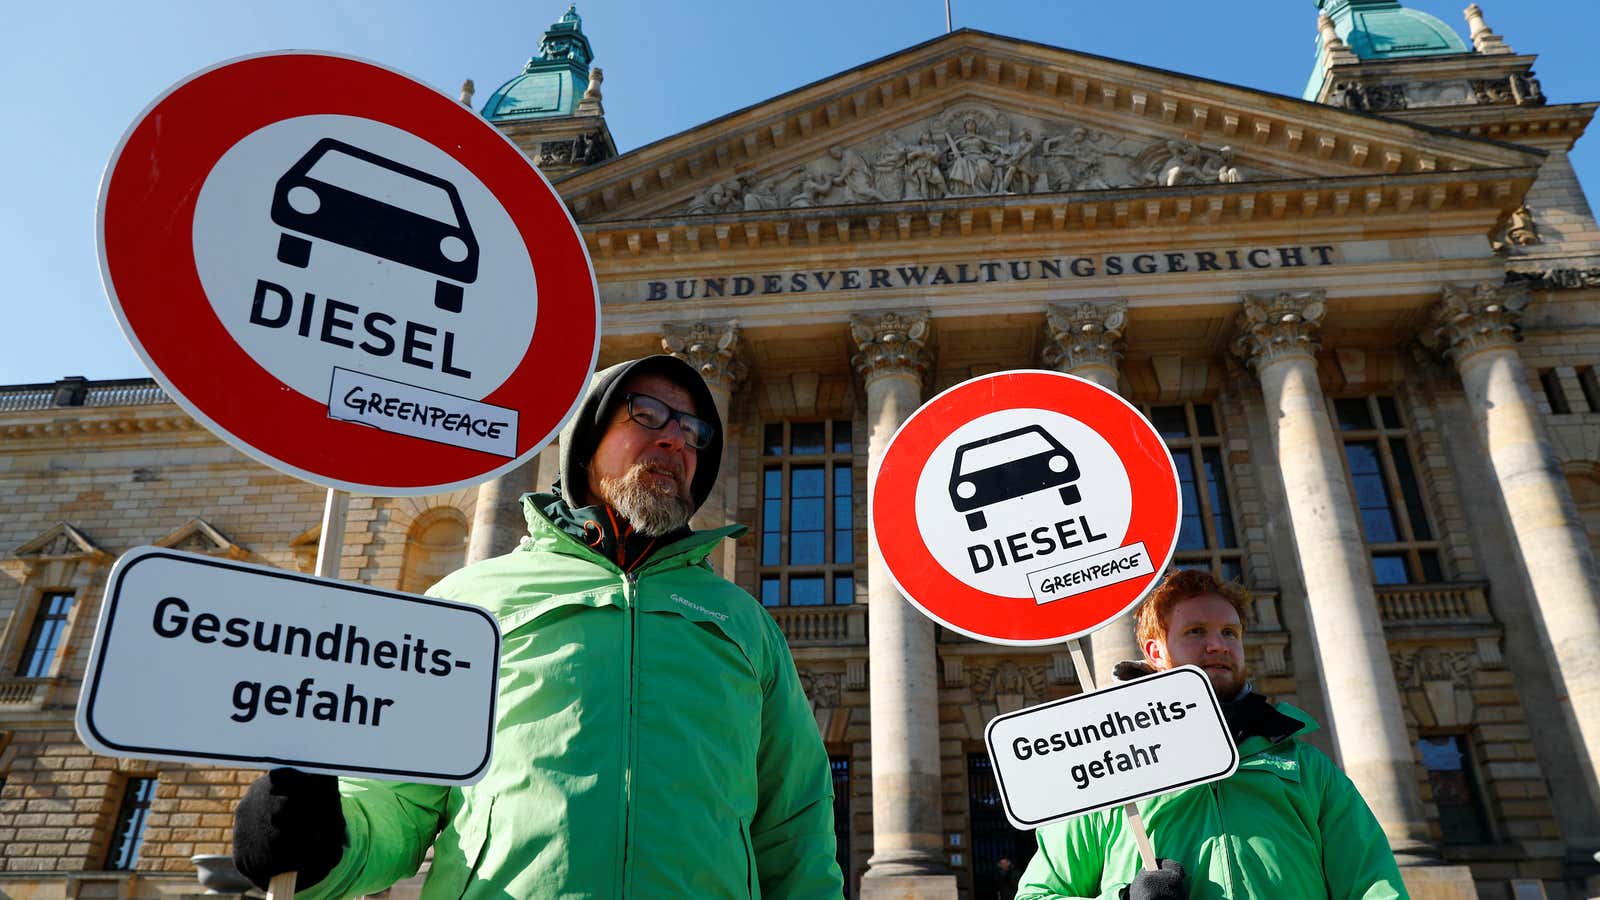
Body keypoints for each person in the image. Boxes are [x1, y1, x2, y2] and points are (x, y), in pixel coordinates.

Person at [231, 355, 845, 899]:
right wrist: (322, 845)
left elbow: (795, 829)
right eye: (649, 414)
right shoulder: (469, 600)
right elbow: (398, 800)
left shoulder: (744, 621)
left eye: (693, 431)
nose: (675, 441)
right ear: (586, 439)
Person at [1016, 569, 1407, 900]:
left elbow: (1373, 885)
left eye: (1230, 633)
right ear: (1155, 651)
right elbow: (1036, 894)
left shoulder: (1304, 766)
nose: (1218, 645)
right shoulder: (1105, 773)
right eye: (1196, 631)